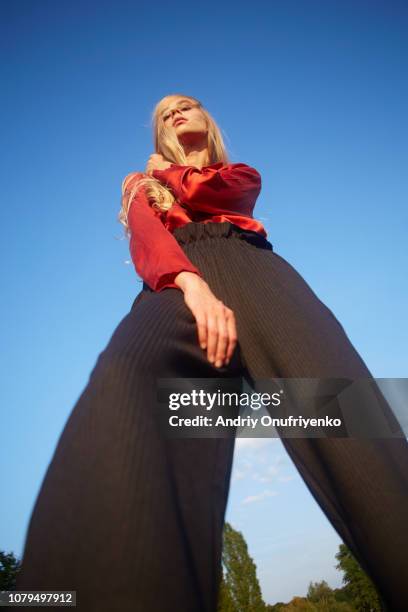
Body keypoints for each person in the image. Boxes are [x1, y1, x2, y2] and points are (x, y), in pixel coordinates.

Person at [16, 93, 408, 612]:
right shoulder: (139, 184)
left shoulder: (239, 173)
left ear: (205, 119)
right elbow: (146, 237)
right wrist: (191, 286)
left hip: (256, 271)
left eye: (185, 105)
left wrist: (169, 174)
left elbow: (220, 195)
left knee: (351, 419)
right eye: (162, 115)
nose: (174, 112)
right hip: (175, 283)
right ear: (158, 135)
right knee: (128, 383)